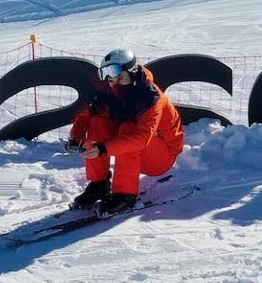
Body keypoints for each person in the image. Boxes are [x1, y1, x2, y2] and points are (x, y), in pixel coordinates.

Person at [66, 48, 186, 215]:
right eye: (109, 76)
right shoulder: (110, 90)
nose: (114, 81)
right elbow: (87, 115)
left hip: (161, 157)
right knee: (98, 122)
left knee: (128, 129)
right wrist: (76, 137)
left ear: (133, 71)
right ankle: (99, 184)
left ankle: (125, 195)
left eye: (119, 76)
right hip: (134, 152)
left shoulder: (149, 96)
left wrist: (103, 148)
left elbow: (142, 137)